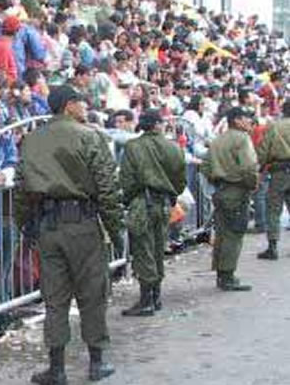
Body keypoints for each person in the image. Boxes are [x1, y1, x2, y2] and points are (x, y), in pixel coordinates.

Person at [17, 84, 123, 385]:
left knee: (55, 298)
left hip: (48, 226)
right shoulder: (90, 136)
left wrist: (25, 225)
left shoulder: (32, 139)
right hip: (84, 225)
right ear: (68, 106)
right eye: (81, 101)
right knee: (92, 293)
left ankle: (57, 368)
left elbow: (23, 188)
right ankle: (97, 362)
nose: (85, 107)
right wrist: (115, 230)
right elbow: (107, 187)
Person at [120, 109, 186, 316]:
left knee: (143, 249)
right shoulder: (173, 147)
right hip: (165, 203)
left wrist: (128, 199)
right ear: (158, 124)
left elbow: (127, 179)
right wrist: (172, 194)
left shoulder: (133, 147)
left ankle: (146, 298)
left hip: (142, 201)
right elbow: (180, 179)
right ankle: (155, 296)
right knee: (158, 248)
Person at [200, 107, 258, 291]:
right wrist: (251, 184)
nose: (250, 122)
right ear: (237, 120)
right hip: (237, 189)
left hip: (220, 190)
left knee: (223, 234)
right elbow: (249, 167)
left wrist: (216, 179)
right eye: (247, 118)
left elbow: (205, 166)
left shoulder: (218, 140)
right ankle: (227, 275)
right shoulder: (242, 139)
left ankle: (221, 273)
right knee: (234, 234)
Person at [256, 100, 290, 260]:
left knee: (274, 208)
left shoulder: (274, 126)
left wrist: (260, 167)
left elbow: (263, 150)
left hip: (279, 170)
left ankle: (273, 246)